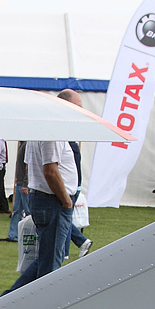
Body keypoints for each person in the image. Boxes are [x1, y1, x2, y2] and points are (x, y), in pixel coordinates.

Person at [3, 137, 77, 294]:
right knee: (50, 264)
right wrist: (66, 200)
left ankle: (7, 299)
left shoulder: (36, 135)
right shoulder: (53, 136)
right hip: (52, 200)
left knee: (46, 257)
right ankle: (41, 304)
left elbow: (32, 166)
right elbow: (50, 171)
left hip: (43, 198)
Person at [56, 91, 92, 259]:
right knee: (63, 219)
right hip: (71, 186)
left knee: (63, 219)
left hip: (69, 187)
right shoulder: (66, 141)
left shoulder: (69, 143)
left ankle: (78, 243)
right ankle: (67, 250)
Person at [3, 141, 29, 241]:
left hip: (23, 184)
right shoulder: (22, 144)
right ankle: (13, 235)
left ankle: (33, 234)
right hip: (20, 183)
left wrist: (25, 184)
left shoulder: (26, 145)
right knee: (17, 210)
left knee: (28, 211)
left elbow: (28, 166)